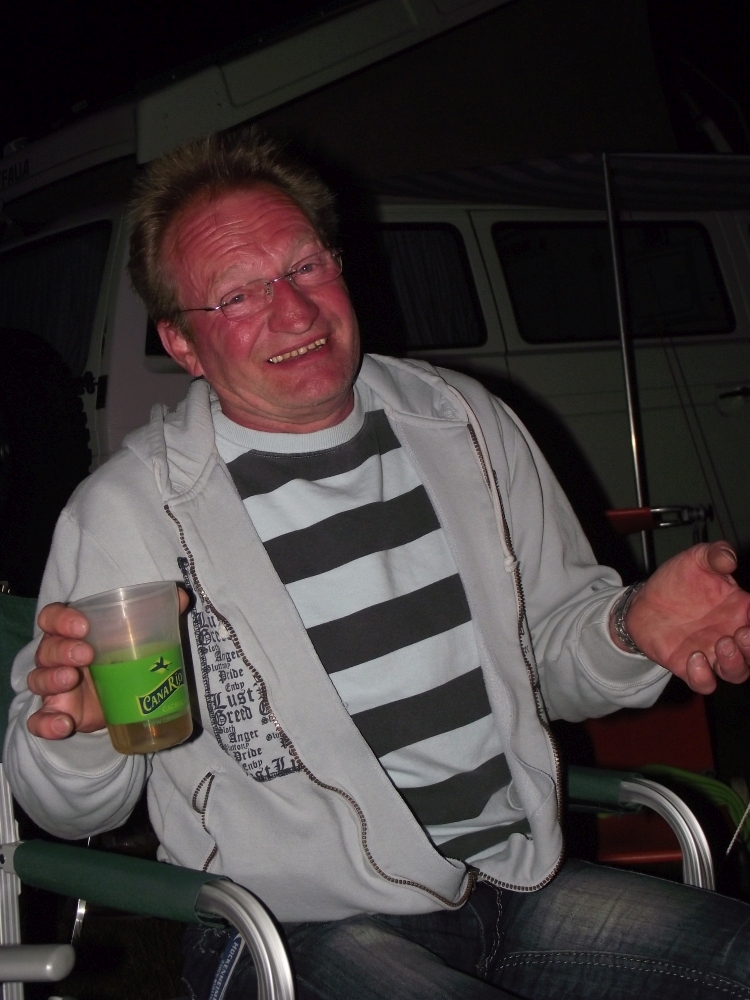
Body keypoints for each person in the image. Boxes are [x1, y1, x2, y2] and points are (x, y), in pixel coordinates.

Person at [5, 127, 750, 1000]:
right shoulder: (130, 513)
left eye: (306, 266)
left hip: (519, 884)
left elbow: (551, 656)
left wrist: (630, 628)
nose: (295, 312)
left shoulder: (464, 423)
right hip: (291, 929)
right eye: (237, 294)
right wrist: (81, 734)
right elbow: (68, 812)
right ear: (182, 343)